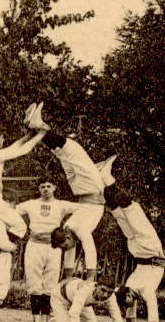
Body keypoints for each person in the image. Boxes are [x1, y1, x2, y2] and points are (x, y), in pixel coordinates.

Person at [24, 103, 106, 281]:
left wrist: (70, 276)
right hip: (87, 190)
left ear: (66, 236)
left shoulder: (71, 228)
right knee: (69, 152)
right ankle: (40, 127)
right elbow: (84, 248)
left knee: (70, 151)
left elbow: (72, 249)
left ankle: (39, 127)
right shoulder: (73, 230)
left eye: (64, 245)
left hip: (88, 190)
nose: (66, 248)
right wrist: (86, 278)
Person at [104, 168, 165, 322]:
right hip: (148, 252)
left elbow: (137, 307)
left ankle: (106, 182)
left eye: (125, 301)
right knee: (128, 214)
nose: (126, 306)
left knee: (125, 215)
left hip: (143, 249)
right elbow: (139, 307)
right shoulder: (135, 290)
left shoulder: (130, 287)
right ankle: (106, 181)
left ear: (127, 292)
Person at [16, 178, 79, 322]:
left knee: (50, 284)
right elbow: (11, 210)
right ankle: (36, 321)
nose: (45, 189)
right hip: (35, 244)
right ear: (39, 188)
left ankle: (45, 320)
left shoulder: (61, 205)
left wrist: (68, 228)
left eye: (48, 186)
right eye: (42, 186)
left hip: (53, 246)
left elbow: (81, 209)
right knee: (34, 283)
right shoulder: (31, 204)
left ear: (54, 187)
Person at [0, 123, 47, 245]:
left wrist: (30, 135)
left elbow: (13, 148)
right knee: (20, 226)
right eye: (2, 138)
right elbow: (23, 150)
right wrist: (42, 134)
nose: (4, 140)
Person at [48, 271, 127, 322]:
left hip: (81, 302)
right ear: (96, 286)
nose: (105, 295)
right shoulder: (84, 290)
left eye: (109, 292)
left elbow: (116, 314)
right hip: (60, 297)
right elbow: (74, 313)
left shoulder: (110, 296)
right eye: (103, 290)